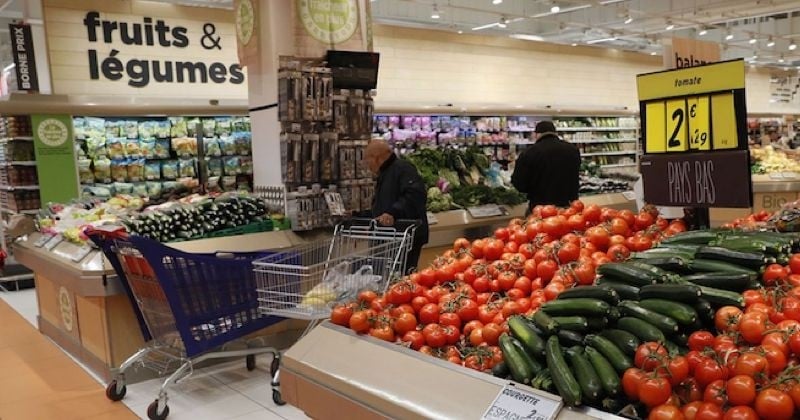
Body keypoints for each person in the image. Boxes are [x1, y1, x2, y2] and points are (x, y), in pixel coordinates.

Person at [361, 140, 429, 273]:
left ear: (377, 157)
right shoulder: (386, 174)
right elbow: (384, 207)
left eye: (367, 159)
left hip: (406, 236)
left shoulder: (403, 169)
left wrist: (393, 213)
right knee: (390, 277)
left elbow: (415, 195)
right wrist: (358, 215)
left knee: (403, 277)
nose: (366, 164)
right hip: (392, 237)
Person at [511, 121, 581, 212]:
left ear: (536, 134)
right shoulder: (573, 150)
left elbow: (519, 183)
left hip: (541, 208)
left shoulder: (529, 153)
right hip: (569, 206)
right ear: (556, 133)